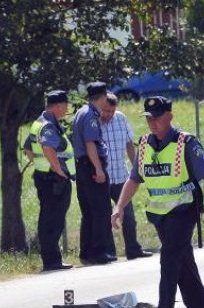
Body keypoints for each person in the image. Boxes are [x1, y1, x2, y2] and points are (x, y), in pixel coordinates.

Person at [111, 96, 204, 308]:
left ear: (170, 116)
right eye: (148, 118)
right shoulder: (144, 144)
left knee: (168, 261)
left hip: (183, 211)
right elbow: (135, 178)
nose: (152, 123)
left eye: (156, 118)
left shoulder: (186, 143)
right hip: (159, 215)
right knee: (184, 266)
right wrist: (120, 206)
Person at [24, 90, 75, 271]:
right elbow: (47, 147)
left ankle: (51, 260)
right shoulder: (48, 125)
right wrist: (58, 170)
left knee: (47, 218)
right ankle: (53, 261)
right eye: (66, 105)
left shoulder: (38, 123)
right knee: (54, 220)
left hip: (44, 176)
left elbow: (28, 149)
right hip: (54, 180)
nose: (67, 109)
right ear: (59, 106)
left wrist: (41, 165)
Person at [100, 93, 152, 261]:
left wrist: (136, 167)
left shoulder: (121, 118)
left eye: (112, 111)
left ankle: (133, 249)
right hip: (102, 178)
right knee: (104, 216)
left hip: (122, 176)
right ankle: (109, 252)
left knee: (128, 215)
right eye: (106, 110)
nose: (108, 114)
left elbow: (129, 143)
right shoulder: (94, 123)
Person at [72, 81, 114, 264]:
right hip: (91, 166)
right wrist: (98, 168)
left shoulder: (81, 112)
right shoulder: (90, 115)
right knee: (101, 210)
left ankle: (87, 252)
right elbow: (90, 144)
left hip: (83, 166)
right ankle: (98, 251)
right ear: (103, 96)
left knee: (88, 212)